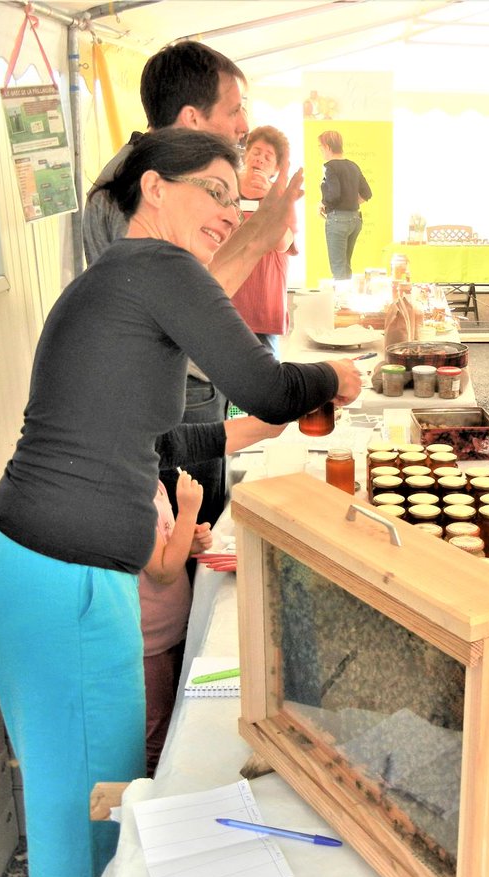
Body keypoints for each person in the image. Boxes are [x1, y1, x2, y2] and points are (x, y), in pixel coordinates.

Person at [0, 129, 362, 877]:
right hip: (63, 586)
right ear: (153, 187)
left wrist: (237, 434)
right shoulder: (161, 266)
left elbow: (148, 433)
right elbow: (273, 384)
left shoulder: (116, 278)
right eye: (213, 190)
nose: (229, 209)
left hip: (17, 570)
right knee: (89, 826)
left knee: (66, 804)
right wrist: (337, 374)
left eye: (236, 196)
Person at [83, 41, 296, 527]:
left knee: (202, 529)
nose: (243, 125)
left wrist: (262, 235)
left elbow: (197, 283)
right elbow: (179, 308)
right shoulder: (135, 190)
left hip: (191, 384)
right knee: (187, 540)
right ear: (192, 119)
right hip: (171, 398)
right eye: (235, 109)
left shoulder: (167, 173)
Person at [140, 470, 211, 778]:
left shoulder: (153, 484)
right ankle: (153, 794)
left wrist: (189, 543)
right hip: (149, 643)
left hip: (170, 632)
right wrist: (189, 512)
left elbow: (169, 550)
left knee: (172, 718)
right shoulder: (135, 496)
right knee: (156, 730)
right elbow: (164, 570)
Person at [231, 125, 296, 356]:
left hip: (263, 305)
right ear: (246, 154)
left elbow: (284, 243)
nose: (260, 160)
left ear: (276, 168)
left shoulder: (281, 196)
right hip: (227, 303)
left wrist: (272, 198)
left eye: (268, 157)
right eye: (256, 152)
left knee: (267, 381)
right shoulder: (226, 188)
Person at [318, 130, 371, 280]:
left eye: (321, 147)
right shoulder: (353, 166)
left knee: (338, 270)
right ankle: (346, 301)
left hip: (337, 221)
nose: (321, 151)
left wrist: (322, 204)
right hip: (355, 220)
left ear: (327, 147)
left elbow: (334, 194)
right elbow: (367, 193)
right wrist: (350, 202)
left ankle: (340, 302)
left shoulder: (329, 167)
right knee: (345, 267)